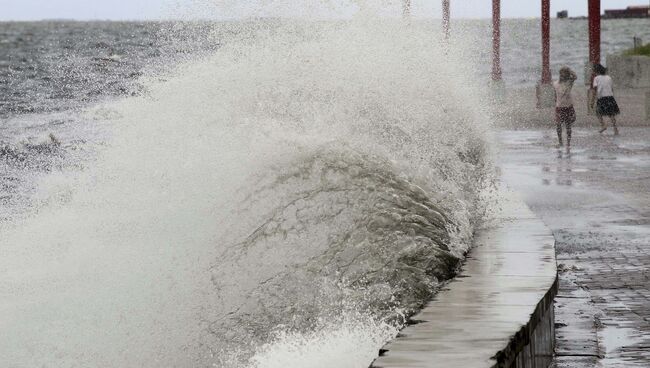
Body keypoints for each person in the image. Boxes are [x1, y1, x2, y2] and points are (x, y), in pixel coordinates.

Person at [553, 66, 577, 151]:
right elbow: (555, 95)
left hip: (568, 106)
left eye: (565, 73)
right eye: (562, 73)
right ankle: (560, 142)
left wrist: (570, 70)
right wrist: (555, 103)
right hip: (559, 107)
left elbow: (575, 77)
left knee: (568, 126)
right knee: (558, 125)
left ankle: (568, 143)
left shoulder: (569, 82)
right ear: (560, 74)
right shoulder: (555, 83)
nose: (563, 75)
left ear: (567, 75)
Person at [592, 64, 620, 135]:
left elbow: (595, 90)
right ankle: (615, 129)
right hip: (610, 97)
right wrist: (612, 96)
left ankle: (603, 125)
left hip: (601, 97)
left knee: (598, 113)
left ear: (596, 71)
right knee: (611, 114)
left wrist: (592, 101)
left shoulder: (596, 78)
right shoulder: (609, 77)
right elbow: (611, 88)